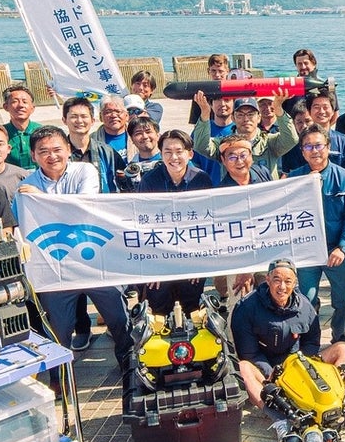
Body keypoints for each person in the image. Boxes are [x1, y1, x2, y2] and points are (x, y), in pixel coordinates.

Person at [17, 126, 129, 365]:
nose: (52, 156)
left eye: (57, 149)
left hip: (95, 261)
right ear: (34, 155)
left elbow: (81, 207)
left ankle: (128, 367)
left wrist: (41, 199)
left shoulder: (85, 170)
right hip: (55, 269)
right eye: (43, 151)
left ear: (68, 149)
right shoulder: (26, 185)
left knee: (120, 321)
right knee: (58, 333)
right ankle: (61, 379)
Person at [231, 259, 345, 407]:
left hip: (295, 365)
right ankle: (274, 412)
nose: (282, 287)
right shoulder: (246, 307)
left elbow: (312, 343)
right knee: (243, 367)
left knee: (343, 348)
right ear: (267, 280)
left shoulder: (305, 307)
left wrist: (298, 366)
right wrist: (272, 374)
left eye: (288, 282)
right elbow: (249, 353)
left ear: (295, 283)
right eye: (277, 280)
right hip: (265, 372)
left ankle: (339, 399)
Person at [288, 127, 345, 345]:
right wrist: (304, 187)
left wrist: (343, 246)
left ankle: (340, 335)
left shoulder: (344, 178)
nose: (314, 151)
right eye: (308, 146)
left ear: (328, 148)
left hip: (335, 248)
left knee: (344, 298)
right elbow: (285, 213)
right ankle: (309, 340)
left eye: (319, 145)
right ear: (302, 152)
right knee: (306, 298)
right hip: (306, 250)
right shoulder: (293, 178)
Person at [133, 129, 212, 317]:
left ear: (190, 154)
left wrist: (199, 263)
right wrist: (153, 266)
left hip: (192, 255)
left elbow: (207, 225)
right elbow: (143, 226)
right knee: (158, 307)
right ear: (161, 154)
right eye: (167, 152)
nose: (174, 157)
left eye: (179, 151)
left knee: (192, 308)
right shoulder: (150, 181)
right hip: (160, 256)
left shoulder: (201, 179)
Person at [284, 90, 345, 176]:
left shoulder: (344, 141)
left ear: (333, 111)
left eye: (325, 107)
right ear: (309, 111)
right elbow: (289, 175)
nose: (321, 111)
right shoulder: (296, 144)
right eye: (316, 107)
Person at [63, 95, 127, 192]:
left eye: (84, 116)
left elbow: (125, 185)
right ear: (64, 120)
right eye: (74, 116)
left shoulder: (107, 152)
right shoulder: (59, 153)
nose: (79, 121)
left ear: (92, 121)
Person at [0, 83, 41, 168]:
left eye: (25, 102)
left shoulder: (42, 131)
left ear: (32, 108)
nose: (21, 105)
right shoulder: (0, 133)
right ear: (6, 107)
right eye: (15, 101)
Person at [120, 114, 164, 187]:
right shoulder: (130, 170)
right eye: (138, 133)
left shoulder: (170, 161)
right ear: (132, 139)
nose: (145, 136)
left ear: (158, 135)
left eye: (148, 132)